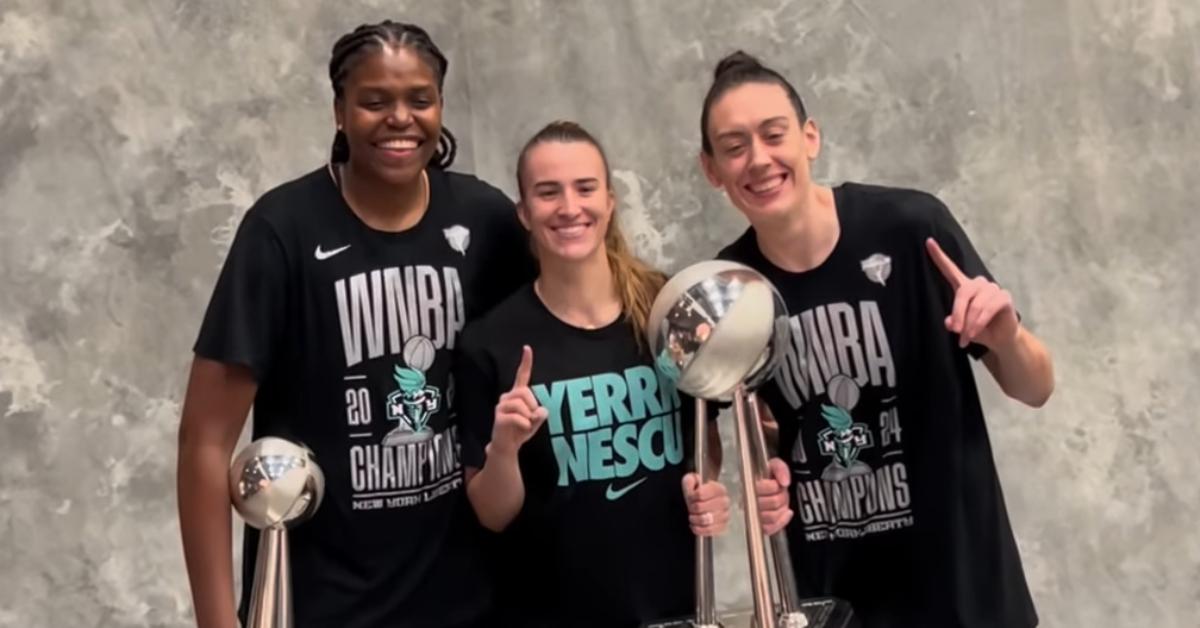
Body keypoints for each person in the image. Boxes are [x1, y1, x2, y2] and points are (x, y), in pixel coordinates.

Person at [176, 20, 535, 628]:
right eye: (375, 101)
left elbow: (571, 326)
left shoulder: (485, 220)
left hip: (469, 600)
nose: (401, 118)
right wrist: (217, 620)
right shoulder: (282, 230)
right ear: (340, 111)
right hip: (321, 603)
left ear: (440, 107)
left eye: (419, 99)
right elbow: (205, 442)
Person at [696, 51, 1055, 628]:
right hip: (837, 604)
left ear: (809, 137)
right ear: (712, 169)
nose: (758, 159)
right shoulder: (731, 289)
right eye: (734, 146)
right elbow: (715, 428)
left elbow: (1036, 387)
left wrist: (1006, 335)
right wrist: (745, 477)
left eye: (773, 134)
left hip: (966, 596)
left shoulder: (913, 229)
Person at [453, 120, 732, 628]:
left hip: (676, 608)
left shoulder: (668, 308)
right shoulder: (488, 344)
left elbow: (704, 444)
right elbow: (492, 514)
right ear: (524, 212)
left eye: (585, 188)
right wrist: (506, 448)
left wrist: (706, 490)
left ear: (609, 200)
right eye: (547, 192)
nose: (568, 207)